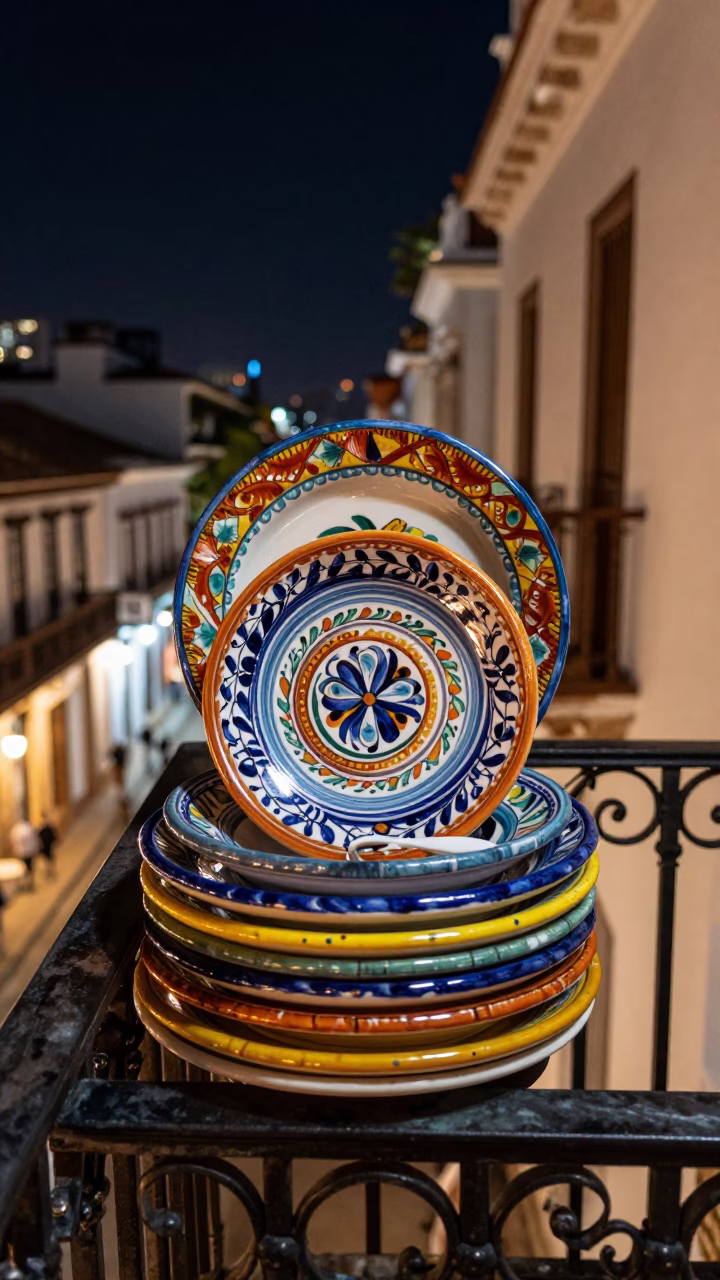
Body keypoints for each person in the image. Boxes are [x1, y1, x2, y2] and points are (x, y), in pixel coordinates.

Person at [9, 818, 40, 890]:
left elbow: (13, 842)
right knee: (29, 868)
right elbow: (34, 839)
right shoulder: (28, 828)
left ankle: (28, 882)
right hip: (28, 852)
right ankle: (29, 882)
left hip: (23, 852)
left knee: (25, 868)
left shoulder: (16, 830)